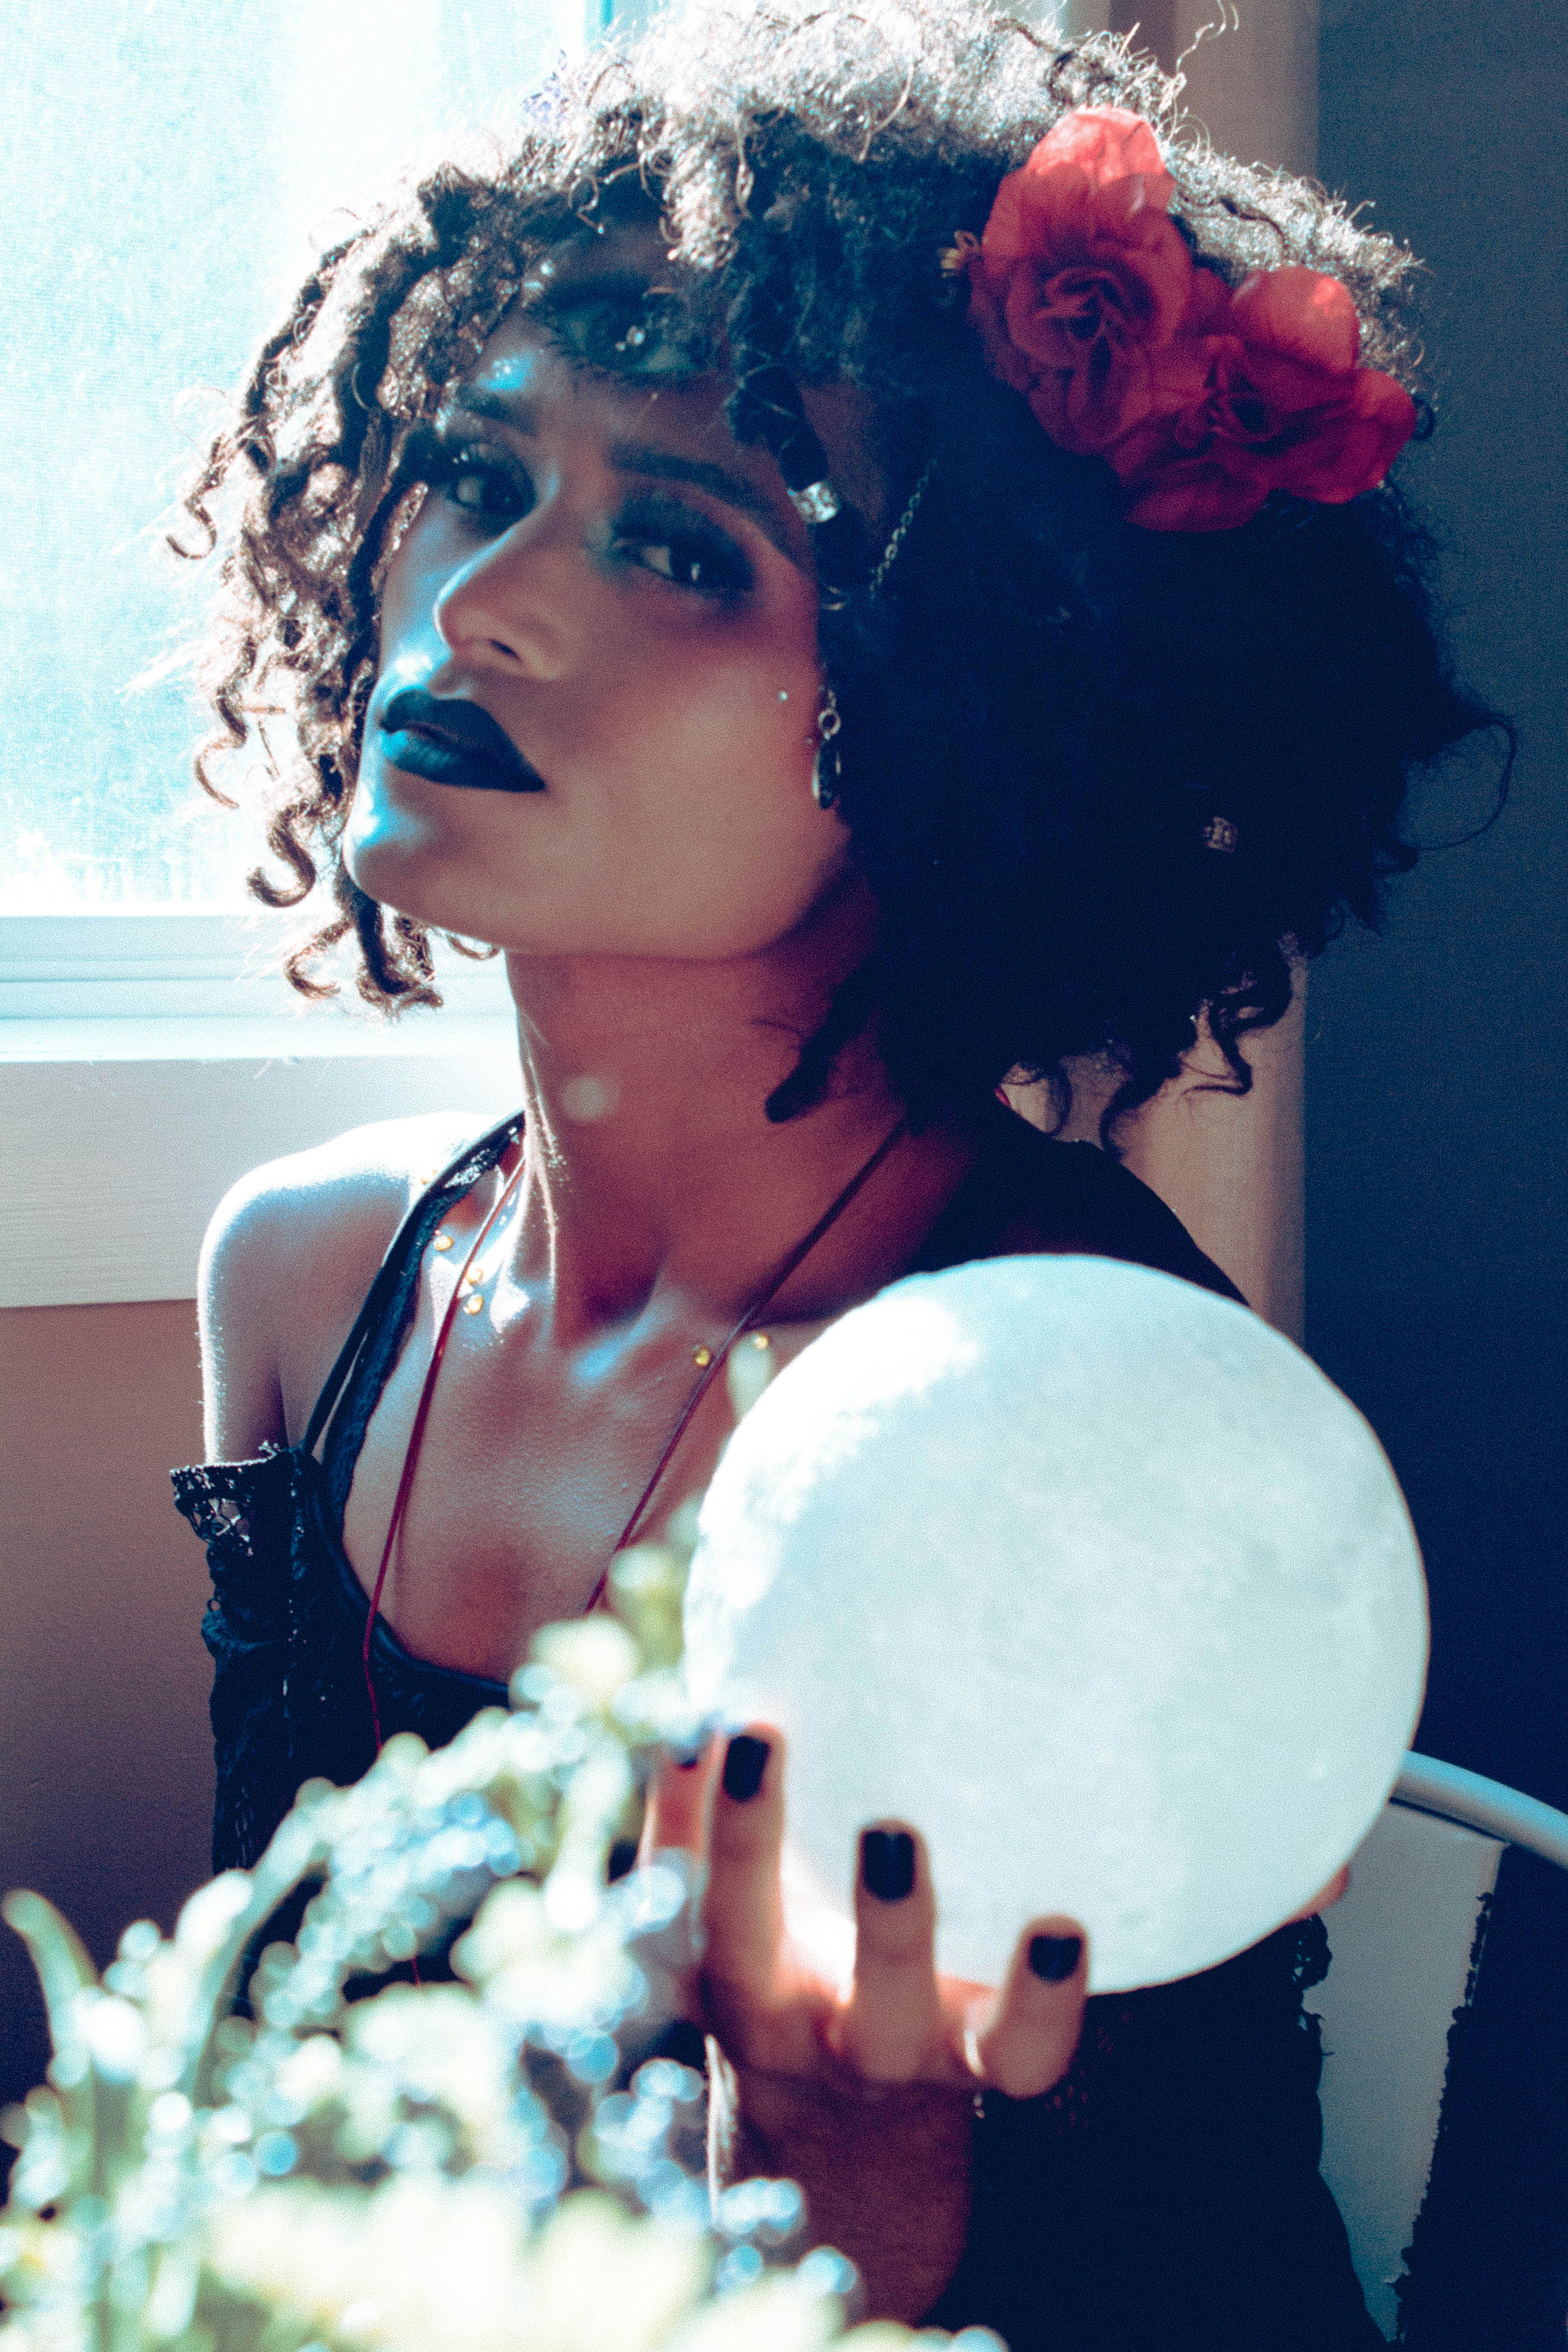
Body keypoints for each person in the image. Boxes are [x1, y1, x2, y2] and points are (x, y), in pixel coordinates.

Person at [170, 3, 1502, 2342]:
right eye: (478, 475)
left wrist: (863, 2203)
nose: (481, 599)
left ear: (967, 719)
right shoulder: (304, 1285)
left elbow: (1219, 2293)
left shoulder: (1083, 1424)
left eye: (680, 546)